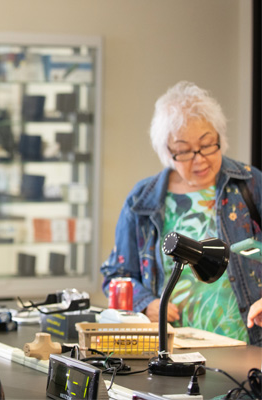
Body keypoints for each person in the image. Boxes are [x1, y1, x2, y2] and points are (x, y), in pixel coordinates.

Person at [101, 81, 262, 346]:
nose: (199, 159)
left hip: (247, 344)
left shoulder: (249, 183)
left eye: (208, 144)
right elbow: (117, 275)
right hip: (173, 347)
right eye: (185, 151)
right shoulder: (143, 199)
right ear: (167, 152)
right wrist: (145, 304)